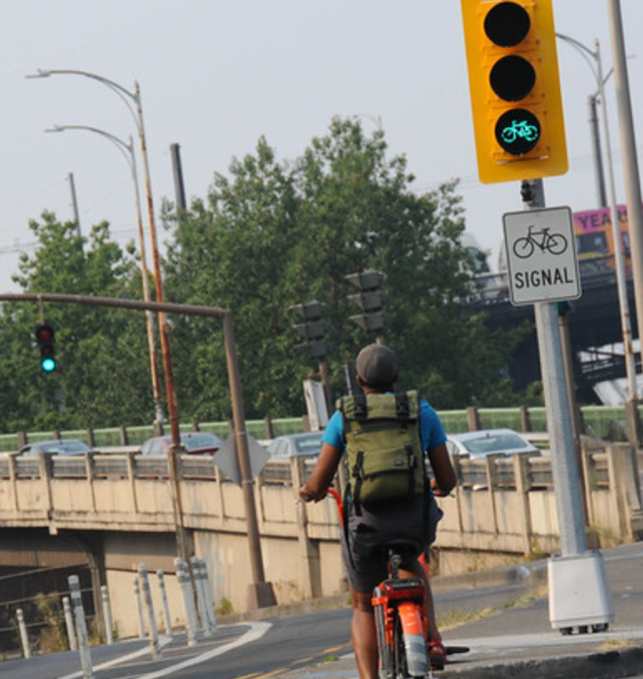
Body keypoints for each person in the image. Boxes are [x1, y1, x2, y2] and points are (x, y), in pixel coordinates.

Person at [299, 343, 456, 679]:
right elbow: (447, 478)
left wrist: (310, 492)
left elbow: (320, 479)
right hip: (412, 520)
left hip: (366, 524)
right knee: (413, 562)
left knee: (361, 605)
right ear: (396, 377)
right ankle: (434, 640)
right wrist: (441, 487)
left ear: (358, 380)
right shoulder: (419, 411)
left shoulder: (345, 417)